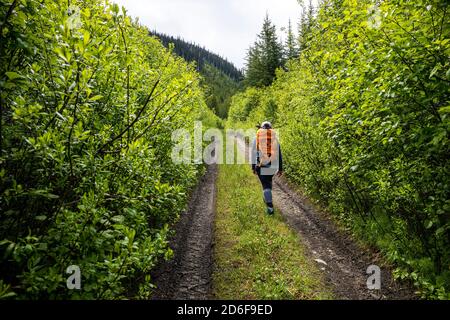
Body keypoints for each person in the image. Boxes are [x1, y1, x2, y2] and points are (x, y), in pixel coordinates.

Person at [251, 121, 283, 215]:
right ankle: (267, 198)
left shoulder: (256, 138)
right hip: (273, 166)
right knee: (268, 182)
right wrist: (280, 168)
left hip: (260, 166)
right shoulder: (274, 138)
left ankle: (270, 208)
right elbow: (279, 154)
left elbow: (253, 153)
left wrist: (253, 167)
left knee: (266, 186)